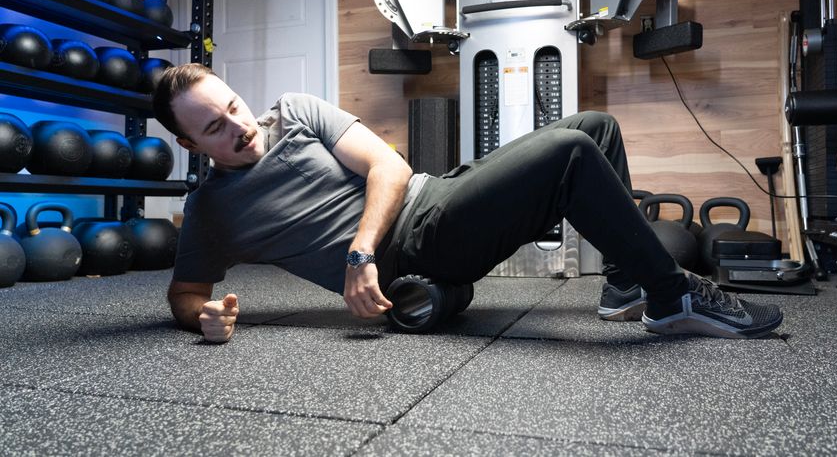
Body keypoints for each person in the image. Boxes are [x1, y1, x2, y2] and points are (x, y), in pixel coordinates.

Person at [153, 63, 783, 343]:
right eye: (213, 128)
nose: (239, 127)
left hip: (428, 198)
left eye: (232, 106)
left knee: (595, 127)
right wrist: (202, 315)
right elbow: (184, 292)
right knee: (567, 154)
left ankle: (625, 286)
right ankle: (672, 297)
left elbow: (388, 166)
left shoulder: (293, 111)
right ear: (188, 143)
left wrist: (356, 249)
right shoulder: (214, 209)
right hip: (416, 250)